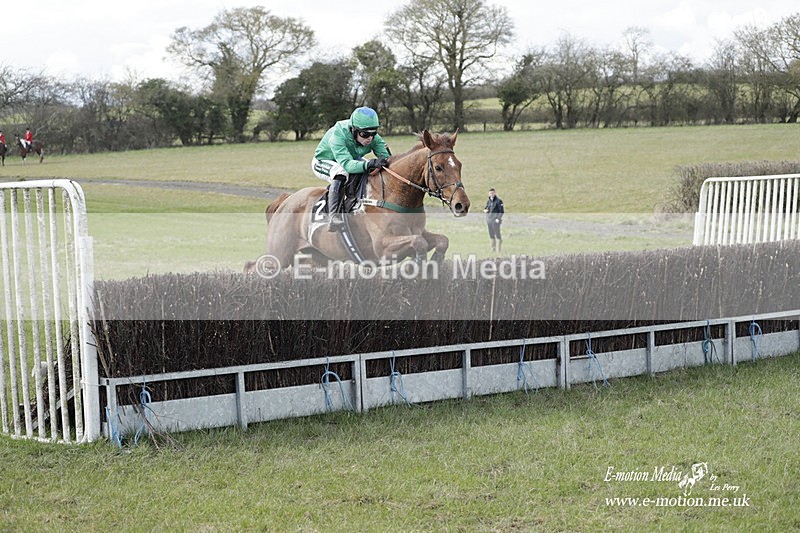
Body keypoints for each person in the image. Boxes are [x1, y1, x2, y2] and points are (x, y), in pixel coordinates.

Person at [311, 107, 391, 231]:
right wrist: (369, 164)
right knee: (341, 173)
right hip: (324, 161)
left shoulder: (371, 136)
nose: (369, 138)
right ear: (353, 130)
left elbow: (387, 158)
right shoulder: (339, 134)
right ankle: (333, 216)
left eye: (373, 133)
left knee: (371, 171)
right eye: (365, 134)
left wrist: (385, 160)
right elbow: (347, 165)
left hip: (349, 159)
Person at [484, 187, 505, 252]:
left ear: (495, 193)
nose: (491, 194)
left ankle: (499, 249)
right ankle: (493, 248)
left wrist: (498, 218)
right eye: (490, 193)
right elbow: (486, 208)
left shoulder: (499, 201)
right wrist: (485, 210)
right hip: (489, 220)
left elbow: (501, 211)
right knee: (491, 234)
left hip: (496, 220)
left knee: (497, 234)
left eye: (492, 193)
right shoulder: (488, 201)